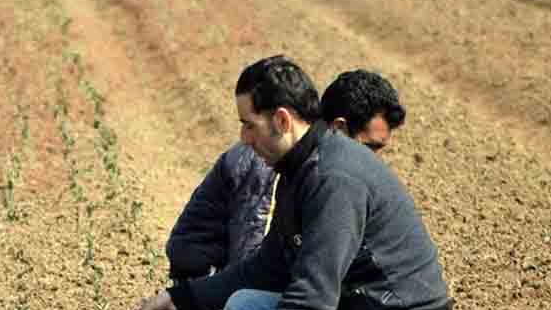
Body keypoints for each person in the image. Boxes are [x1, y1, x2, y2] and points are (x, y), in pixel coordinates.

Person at [136, 56, 457, 310]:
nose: (244, 138)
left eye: (248, 125)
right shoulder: (299, 166)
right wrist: (183, 298)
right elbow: (266, 267)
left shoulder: (333, 176)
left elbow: (313, 294)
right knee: (241, 309)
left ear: (283, 120)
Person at [165, 69, 408, 284]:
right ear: (339, 128)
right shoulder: (266, 160)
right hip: (205, 275)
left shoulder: (317, 164)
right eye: (370, 148)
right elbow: (251, 251)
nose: (373, 162)